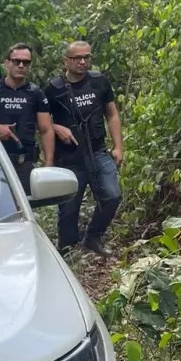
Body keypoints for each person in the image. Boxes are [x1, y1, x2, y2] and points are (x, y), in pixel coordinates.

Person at [45, 41, 123, 258]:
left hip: (98, 151)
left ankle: (93, 236)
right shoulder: (54, 88)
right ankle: (67, 253)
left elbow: (112, 113)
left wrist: (118, 146)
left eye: (86, 57)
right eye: (77, 58)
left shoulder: (99, 81)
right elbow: (40, 121)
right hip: (68, 158)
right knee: (69, 209)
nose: (82, 62)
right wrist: (56, 126)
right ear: (66, 61)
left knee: (112, 196)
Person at [0, 43, 55, 194]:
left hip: (24, 162)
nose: (21, 65)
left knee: (24, 207)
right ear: (6, 63)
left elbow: (46, 130)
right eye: (16, 61)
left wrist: (49, 162)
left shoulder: (36, 93)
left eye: (26, 62)